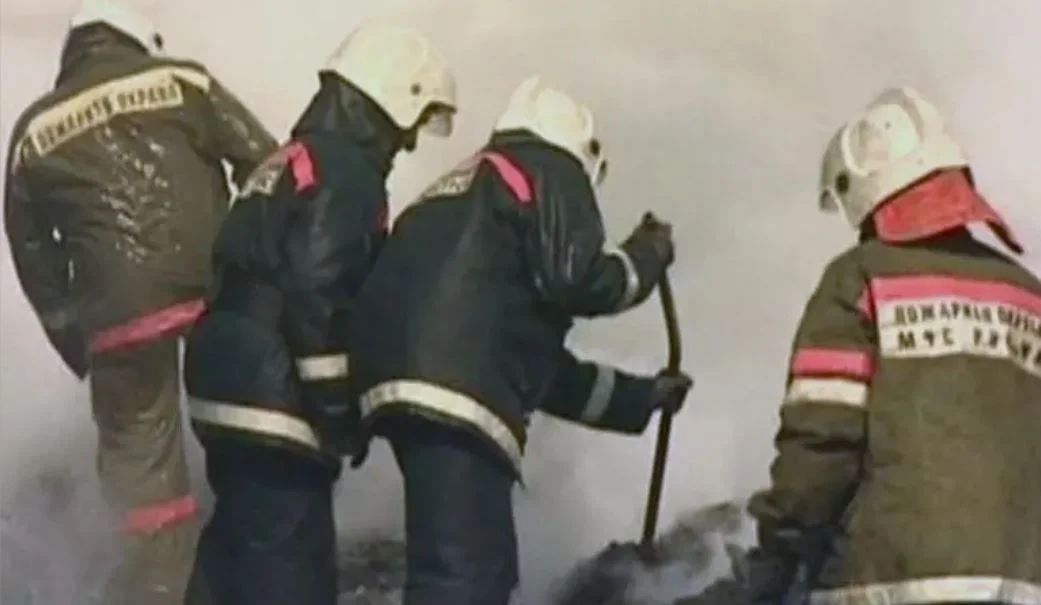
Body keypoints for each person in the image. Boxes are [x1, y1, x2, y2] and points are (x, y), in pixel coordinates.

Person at [347, 75, 695, 605]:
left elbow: (539, 370)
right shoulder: (549, 166)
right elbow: (583, 279)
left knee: (457, 563)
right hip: (458, 396)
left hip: (400, 388)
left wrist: (642, 398)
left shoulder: (464, 194)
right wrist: (647, 254)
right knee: (467, 575)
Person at [2, 1, 276, 603]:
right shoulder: (183, 81)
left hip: (117, 319)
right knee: (252, 424)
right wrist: (256, 267)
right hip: (215, 292)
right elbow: (266, 163)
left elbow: (31, 251)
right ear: (137, 40)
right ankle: (257, 566)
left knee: (142, 479)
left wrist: (74, 337)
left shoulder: (33, 130)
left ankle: (158, 587)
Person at [181, 23, 458, 605]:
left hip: (220, 374)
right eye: (411, 125)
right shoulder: (346, 171)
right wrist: (338, 415)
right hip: (272, 394)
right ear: (392, 99)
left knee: (232, 552)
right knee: (288, 573)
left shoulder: (288, 159)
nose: (408, 144)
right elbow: (318, 294)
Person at [743, 87, 1041, 605]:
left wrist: (779, 551)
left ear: (864, 195)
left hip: (885, 583)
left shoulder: (859, 279)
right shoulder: (1028, 296)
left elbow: (822, 439)